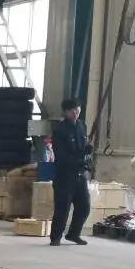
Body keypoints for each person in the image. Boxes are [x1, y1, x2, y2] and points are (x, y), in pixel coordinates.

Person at [50, 98, 91, 246]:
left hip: (80, 174)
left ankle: (74, 234)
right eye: (72, 110)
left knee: (84, 206)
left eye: (77, 108)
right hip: (65, 175)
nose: (76, 112)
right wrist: (77, 161)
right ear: (66, 112)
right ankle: (55, 237)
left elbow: (82, 147)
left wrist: (87, 150)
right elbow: (61, 155)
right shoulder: (60, 130)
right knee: (63, 207)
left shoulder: (82, 126)